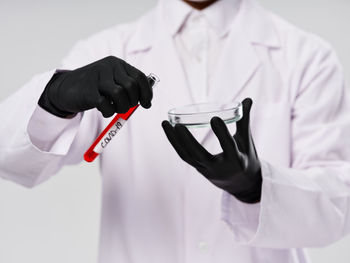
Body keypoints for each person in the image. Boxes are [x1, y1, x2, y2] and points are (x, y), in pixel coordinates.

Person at [1, 0, 350, 262]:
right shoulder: (106, 49)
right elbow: (11, 158)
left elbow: (337, 209)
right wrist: (55, 98)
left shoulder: (306, 57)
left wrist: (257, 188)